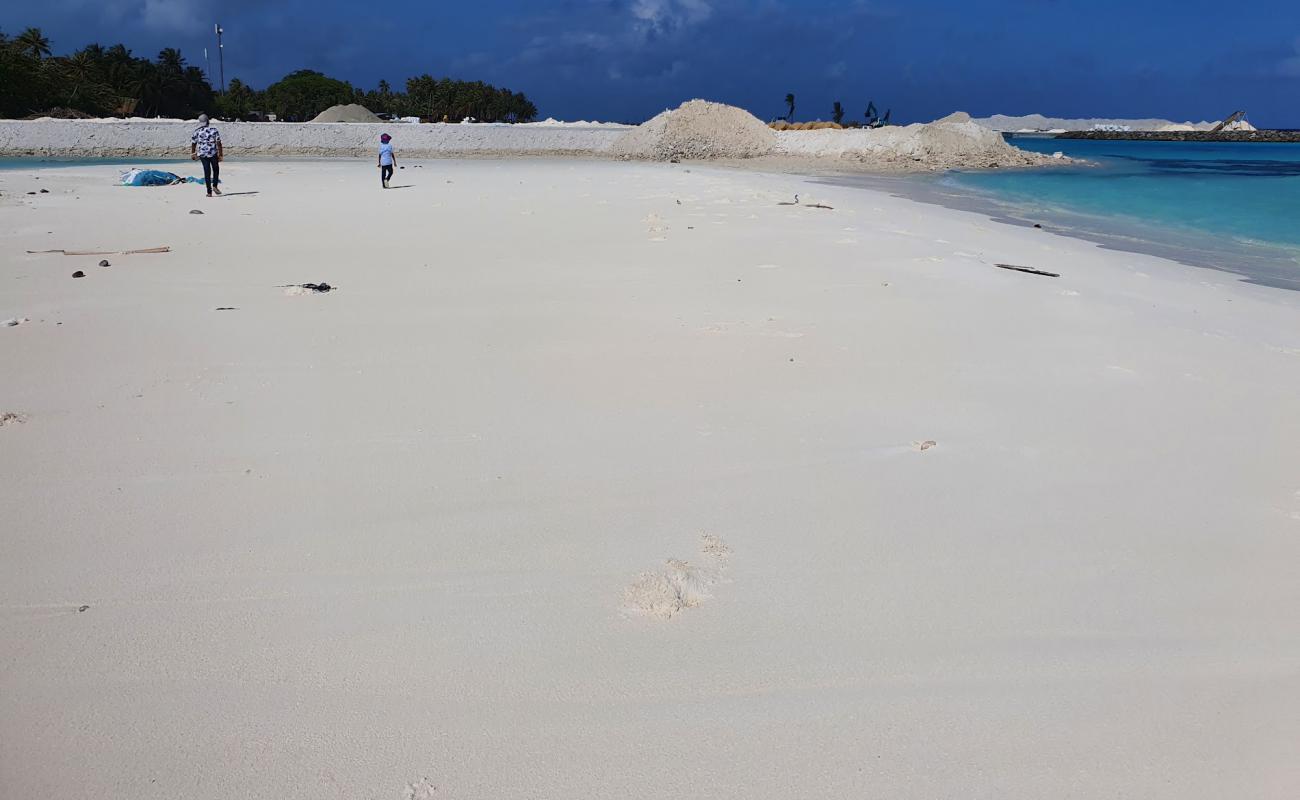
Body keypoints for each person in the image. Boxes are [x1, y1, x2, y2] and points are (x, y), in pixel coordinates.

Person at [190, 114, 223, 197]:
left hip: (202, 154)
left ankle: (209, 192)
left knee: (207, 171)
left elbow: (194, 143)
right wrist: (221, 154)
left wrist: (193, 153)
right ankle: (215, 186)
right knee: (216, 169)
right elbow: (218, 143)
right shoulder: (214, 130)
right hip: (213, 153)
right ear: (208, 121)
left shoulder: (197, 131)